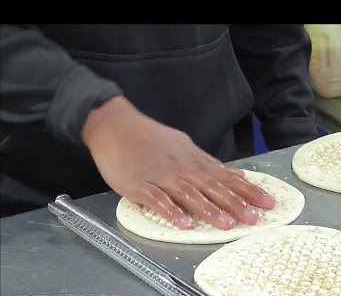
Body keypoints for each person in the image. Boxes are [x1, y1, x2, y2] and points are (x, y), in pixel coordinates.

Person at [0, 24, 318, 229]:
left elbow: (273, 36)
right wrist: (96, 115)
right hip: (40, 205)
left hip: (209, 182)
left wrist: (297, 141)